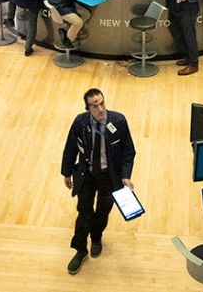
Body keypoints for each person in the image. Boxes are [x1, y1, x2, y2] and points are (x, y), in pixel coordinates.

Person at [60, 89, 136, 275]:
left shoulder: (118, 121)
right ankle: (80, 250)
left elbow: (128, 151)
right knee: (84, 212)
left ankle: (96, 237)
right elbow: (70, 148)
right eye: (95, 105)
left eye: (102, 103)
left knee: (103, 210)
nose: (101, 108)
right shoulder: (80, 122)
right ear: (88, 108)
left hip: (109, 176)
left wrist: (125, 175)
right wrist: (67, 172)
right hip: (87, 174)